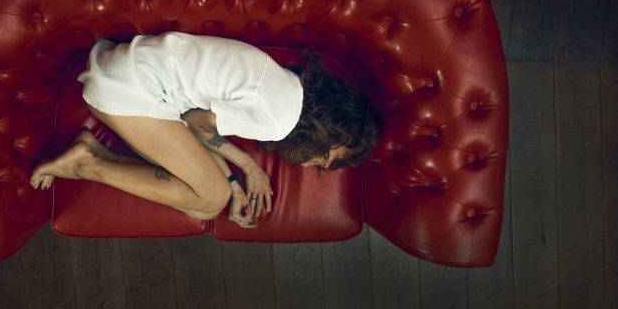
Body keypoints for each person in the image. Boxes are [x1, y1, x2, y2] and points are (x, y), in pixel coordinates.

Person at [29, 31, 381, 228]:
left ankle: (94, 152)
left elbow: (192, 122)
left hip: (122, 74)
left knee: (203, 207)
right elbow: (198, 125)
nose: (322, 165)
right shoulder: (279, 121)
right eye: (333, 158)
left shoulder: (288, 86)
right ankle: (87, 165)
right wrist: (248, 167)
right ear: (334, 130)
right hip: (124, 89)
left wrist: (233, 183)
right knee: (211, 199)